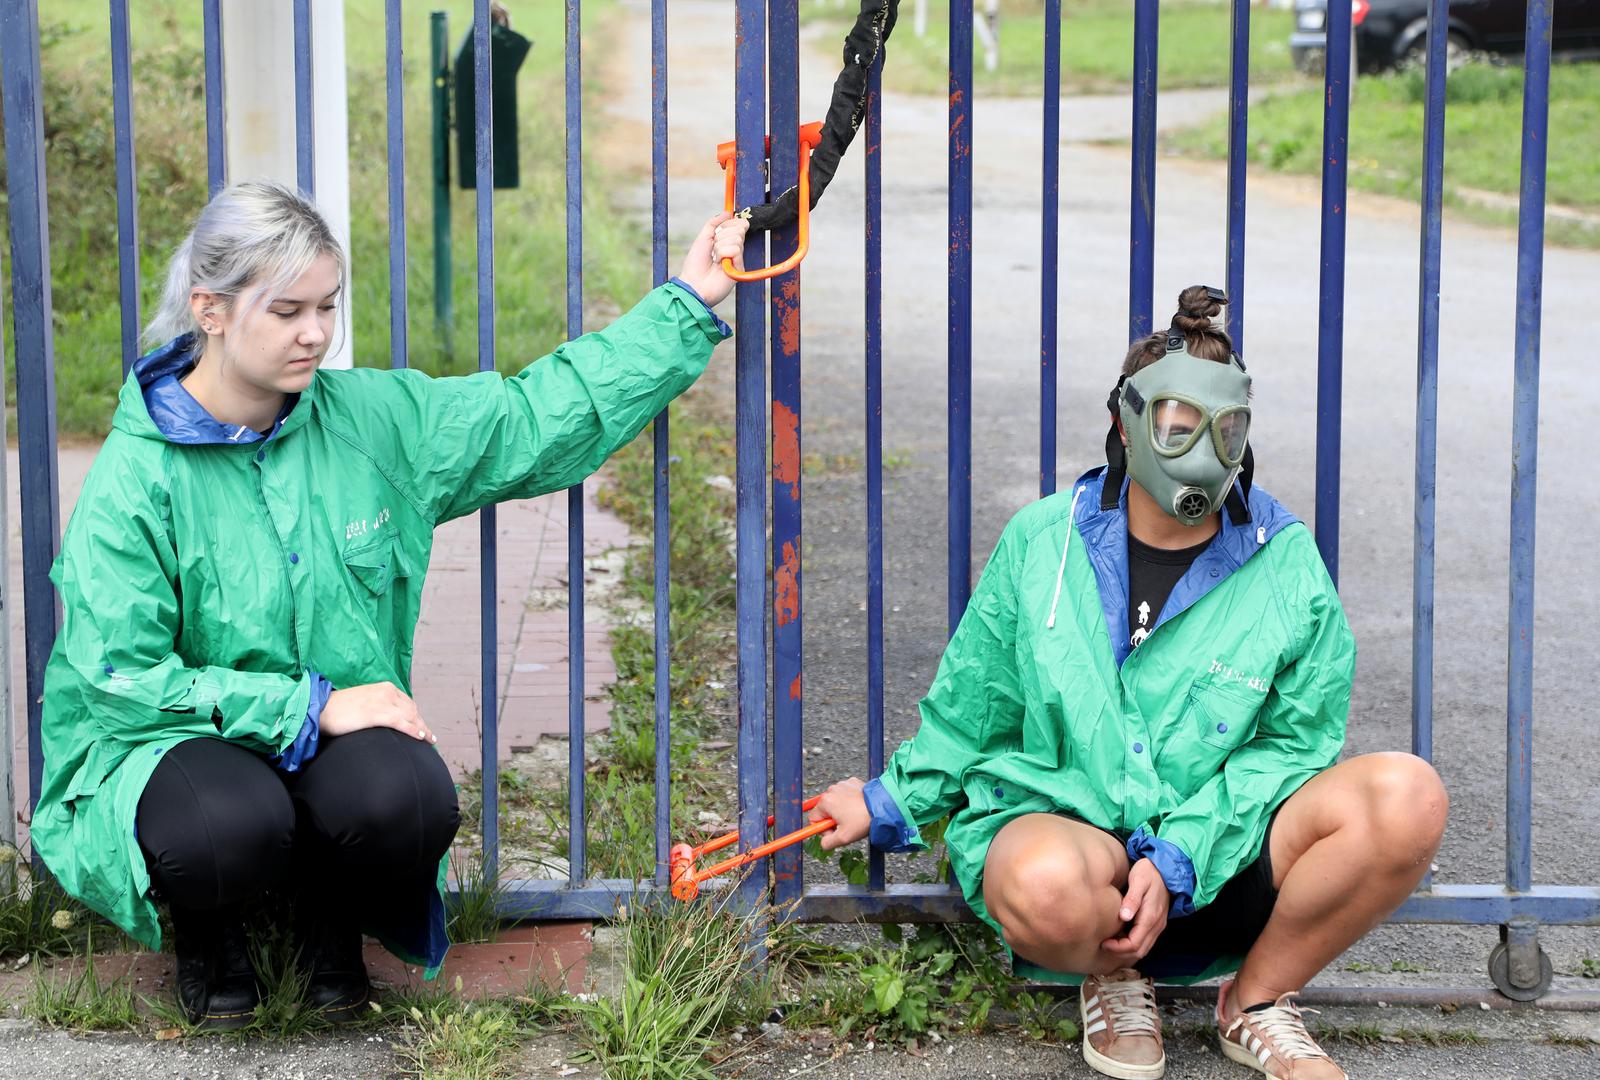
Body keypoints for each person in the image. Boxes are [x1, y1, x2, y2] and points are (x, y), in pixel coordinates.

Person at [31, 179, 748, 1029]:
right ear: (210, 310)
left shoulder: (370, 422)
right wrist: (310, 707)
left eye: (327, 305)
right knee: (226, 827)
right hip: (177, 742)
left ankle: (325, 922)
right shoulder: (135, 475)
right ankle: (211, 932)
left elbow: (525, 418)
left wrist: (684, 304)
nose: (314, 332)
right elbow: (120, 677)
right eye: (287, 309)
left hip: (330, 728)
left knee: (409, 801)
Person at [810, 287, 1448, 1080]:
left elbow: (1295, 745)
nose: (1203, 451)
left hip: (1224, 853)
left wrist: (1183, 851)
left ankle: (1253, 1001)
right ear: (1127, 422)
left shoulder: (1284, 562)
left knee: (1408, 795)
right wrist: (886, 801)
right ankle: (1110, 975)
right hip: (1075, 848)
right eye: (1178, 425)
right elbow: (975, 701)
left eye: (1226, 429)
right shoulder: (1046, 542)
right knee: (1043, 883)